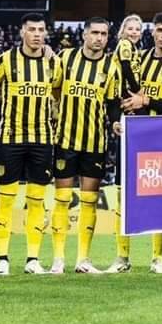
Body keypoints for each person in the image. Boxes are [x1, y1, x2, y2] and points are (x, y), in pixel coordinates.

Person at [0, 13, 59, 275]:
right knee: (5, 201)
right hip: (11, 139)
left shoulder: (54, 62)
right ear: (22, 32)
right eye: (32, 29)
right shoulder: (6, 59)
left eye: (41, 29)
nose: (37, 34)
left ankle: (32, 259)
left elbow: (60, 91)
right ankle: (2, 259)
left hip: (43, 140)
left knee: (37, 202)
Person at [50, 18, 121, 275]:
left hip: (94, 143)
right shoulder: (66, 57)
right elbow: (55, 88)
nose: (99, 38)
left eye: (103, 33)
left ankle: (83, 259)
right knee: (62, 199)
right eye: (94, 33)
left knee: (89, 200)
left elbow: (112, 101)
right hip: (66, 140)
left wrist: (114, 122)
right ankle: (58, 259)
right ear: (84, 34)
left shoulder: (111, 66)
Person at [120, 13, 162, 273]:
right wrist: (122, 117)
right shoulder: (140, 58)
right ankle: (122, 258)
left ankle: (157, 259)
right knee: (126, 195)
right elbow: (125, 95)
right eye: (159, 30)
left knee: (160, 197)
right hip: (137, 136)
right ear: (152, 32)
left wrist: (147, 102)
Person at [105, 14, 145, 273]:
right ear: (122, 31)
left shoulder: (140, 51)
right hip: (128, 110)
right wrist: (140, 91)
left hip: (132, 115)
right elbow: (128, 73)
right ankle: (124, 255)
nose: (133, 32)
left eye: (137, 29)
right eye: (129, 28)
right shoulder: (125, 47)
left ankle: (125, 257)